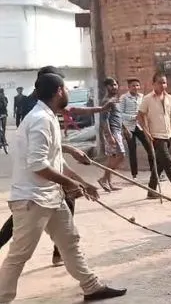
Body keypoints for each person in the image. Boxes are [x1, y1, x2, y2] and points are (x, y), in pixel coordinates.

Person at [0, 72, 127, 302]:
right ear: (59, 91)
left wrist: (84, 183)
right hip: (32, 200)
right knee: (19, 255)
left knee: (69, 241)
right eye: (66, 89)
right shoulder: (40, 119)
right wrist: (71, 184)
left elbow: (55, 162)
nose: (68, 92)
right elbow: (38, 165)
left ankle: (91, 287)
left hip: (50, 197)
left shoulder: (48, 117)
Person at [137, 72, 171, 200]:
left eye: (164, 82)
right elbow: (139, 116)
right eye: (160, 82)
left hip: (167, 135)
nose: (163, 85)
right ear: (153, 84)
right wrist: (146, 132)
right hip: (156, 136)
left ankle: (151, 191)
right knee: (168, 163)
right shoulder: (147, 99)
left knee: (160, 165)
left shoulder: (169, 98)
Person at [119, 78, 151, 180]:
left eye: (137, 85)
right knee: (132, 150)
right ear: (129, 87)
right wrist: (133, 117)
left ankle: (155, 171)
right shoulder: (124, 98)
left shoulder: (142, 97)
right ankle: (134, 175)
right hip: (129, 127)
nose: (136, 88)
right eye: (133, 86)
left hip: (140, 126)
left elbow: (145, 110)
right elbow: (120, 114)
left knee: (149, 147)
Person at [97, 78, 126, 192]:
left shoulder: (115, 100)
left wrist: (124, 129)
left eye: (115, 85)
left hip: (117, 130)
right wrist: (110, 136)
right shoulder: (107, 101)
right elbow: (104, 120)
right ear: (107, 87)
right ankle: (104, 178)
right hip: (112, 132)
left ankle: (108, 182)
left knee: (112, 157)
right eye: (111, 85)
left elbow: (117, 117)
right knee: (121, 155)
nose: (114, 87)